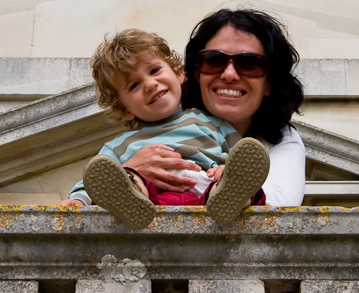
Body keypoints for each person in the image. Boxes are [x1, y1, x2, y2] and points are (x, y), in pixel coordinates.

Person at [124, 8, 311, 293]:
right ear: (193, 72)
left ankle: (234, 188)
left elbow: (278, 212)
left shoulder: (282, 142)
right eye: (214, 60)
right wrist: (133, 170)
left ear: (269, 82)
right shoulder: (159, 131)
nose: (229, 73)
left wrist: (238, 191)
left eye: (249, 64)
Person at [59, 28, 270, 228]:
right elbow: (96, 179)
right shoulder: (119, 146)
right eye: (134, 86)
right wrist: (78, 201)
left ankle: (228, 196)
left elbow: (242, 158)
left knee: (235, 186)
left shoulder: (212, 123)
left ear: (179, 73)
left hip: (207, 193)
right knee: (129, 178)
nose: (150, 84)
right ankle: (130, 196)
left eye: (155, 70)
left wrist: (225, 171)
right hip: (152, 201)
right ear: (124, 109)